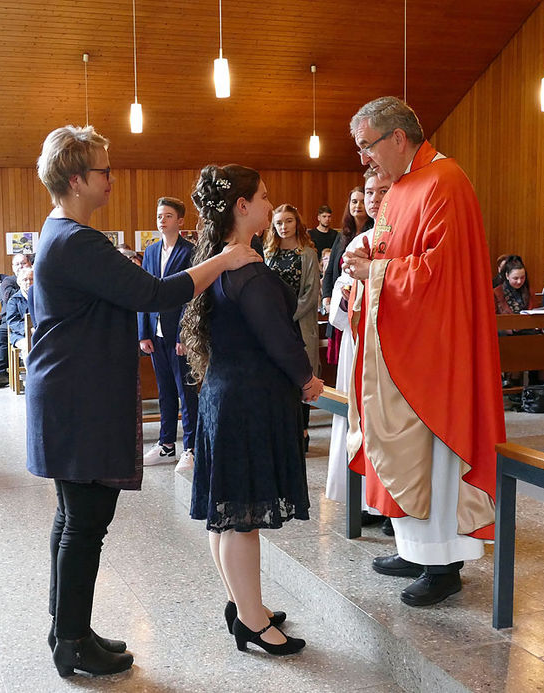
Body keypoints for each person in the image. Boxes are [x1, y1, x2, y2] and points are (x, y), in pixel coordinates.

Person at [26, 125, 261, 678]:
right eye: (104, 169)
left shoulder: (64, 233)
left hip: (67, 391)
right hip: (75, 396)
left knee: (73, 516)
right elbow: (155, 294)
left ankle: (69, 628)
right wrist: (225, 261)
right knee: (85, 519)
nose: (112, 177)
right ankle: (71, 641)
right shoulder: (76, 240)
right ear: (78, 178)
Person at [343, 96, 505, 607]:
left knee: (434, 454)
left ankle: (444, 565)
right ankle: (416, 550)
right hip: (401, 342)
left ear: (397, 137)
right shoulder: (399, 188)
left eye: (368, 146)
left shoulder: (445, 181)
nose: (364, 159)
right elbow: (397, 249)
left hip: (436, 351)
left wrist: (380, 273)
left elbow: (444, 272)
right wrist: (365, 253)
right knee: (407, 455)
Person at [182, 164, 323, 657]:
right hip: (246, 401)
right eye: (262, 197)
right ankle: (252, 623)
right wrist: (307, 380)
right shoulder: (248, 269)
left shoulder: (220, 260)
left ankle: (245, 605)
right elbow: (279, 338)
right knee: (242, 519)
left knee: (227, 515)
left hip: (225, 395)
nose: (269, 204)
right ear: (241, 207)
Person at [325, 169, 391, 531]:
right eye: (369, 192)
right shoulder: (357, 242)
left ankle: (389, 505)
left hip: (387, 348)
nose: (374, 198)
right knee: (356, 421)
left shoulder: (402, 238)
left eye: (383, 190)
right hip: (356, 344)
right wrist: (345, 296)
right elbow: (339, 287)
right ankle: (364, 497)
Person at [139, 197, 199, 470]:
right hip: (156, 332)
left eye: (168, 215)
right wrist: (143, 333)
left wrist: (184, 336)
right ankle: (166, 444)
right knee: (164, 392)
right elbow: (143, 295)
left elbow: (193, 297)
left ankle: (191, 446)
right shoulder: (150, 252)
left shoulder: (190, 251)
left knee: (185, 393)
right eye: (159, 215)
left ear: (181, 221)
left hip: (179, 336)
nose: (162, 220)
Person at [264, 203, 320, 450]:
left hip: (298, 322)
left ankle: (303, 430)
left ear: (297, 223)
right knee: (278, 378)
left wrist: (287, 316)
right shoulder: (269, 253)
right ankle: (281, 431)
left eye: (288, 221)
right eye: (278, 223)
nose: (283, 227)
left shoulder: (307, 253)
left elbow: (310, 294)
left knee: (302, 375)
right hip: (274, 324)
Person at [322, 187, 372, 364]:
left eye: (361, 201)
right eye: (353, 201)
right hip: (339, 303)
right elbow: (330, 272)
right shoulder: (342, 235)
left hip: (358, 305)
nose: (357, 205)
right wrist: (327, 298)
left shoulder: (373, 234)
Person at [0, 253, 33, 388]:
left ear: (29, 263)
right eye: (17, 264)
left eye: (23, 263)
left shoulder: (36, 278)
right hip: (11, 317)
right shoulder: (8, 281)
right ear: (12, 267)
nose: (20, 266)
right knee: (0, 336)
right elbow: (7, 296)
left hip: (34, 321)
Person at [6, 266, 33, 356]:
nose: (29, 282)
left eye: (31, 279)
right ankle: (30, 370)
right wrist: (28, 330)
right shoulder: (14, 300)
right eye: (25, 280)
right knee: (28, 346)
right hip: (19, 335)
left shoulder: (41, 298)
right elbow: (12, 321)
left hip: (38, 331)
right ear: (20, 282)